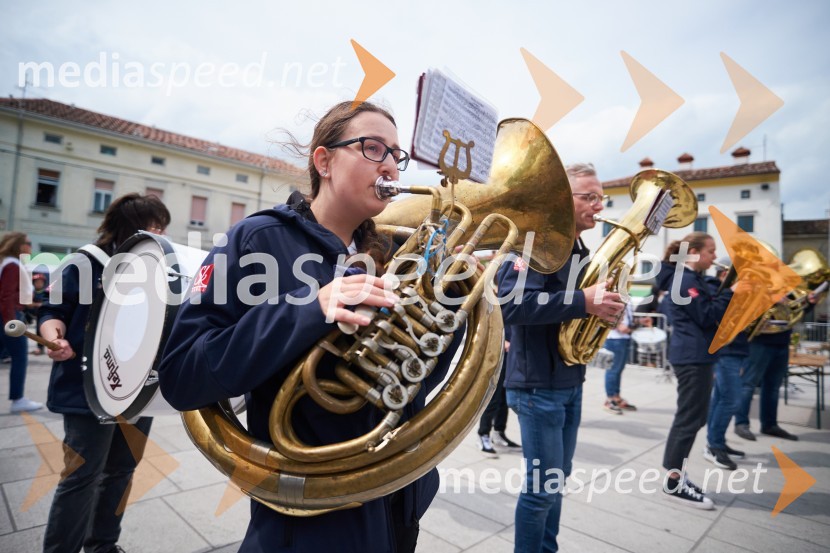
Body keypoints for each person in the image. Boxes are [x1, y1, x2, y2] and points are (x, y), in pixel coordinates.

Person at [158, 101, 462, 553]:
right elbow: (182, 375)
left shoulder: (395, 255)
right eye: (373, 148)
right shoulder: (258, 239)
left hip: (397, 499)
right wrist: (311, 306)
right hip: (309, 520)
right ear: (324, 161)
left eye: (396, 156)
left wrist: (449, 306)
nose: (390, 167)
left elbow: (411, 382)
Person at [497, 163, 624, 553]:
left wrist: (603, 308)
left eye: (600, 197)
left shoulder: (577, 247)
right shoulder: (532, 243)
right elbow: (509, 304)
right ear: (562, 200)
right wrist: (583, 302)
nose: (598, 205)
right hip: (537, 385)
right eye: (588, 197)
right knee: (541, 490)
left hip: (568, 380)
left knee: (556, 481)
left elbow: (570, 308)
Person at [39, 193, 171, 553]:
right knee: (82, 476)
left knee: (121, 471)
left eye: (163, 227)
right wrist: (53, 334)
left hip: (136, 391)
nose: (160, 234)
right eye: (154, 226)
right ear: (130, 228)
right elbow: (52, 312)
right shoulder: (86, 263)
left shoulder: (155, 269)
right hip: (86, 391)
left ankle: (101, 545)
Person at [661, 232, 731, 510]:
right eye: (711, 251)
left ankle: (675, 474)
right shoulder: (685, 280)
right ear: (694, 253)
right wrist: (730, 293)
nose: (715, 257)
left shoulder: (691, 279)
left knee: (693, 417)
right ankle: (674, 480)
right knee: (689, 419)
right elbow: (706, 315)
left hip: (696, 356)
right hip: (692, 357)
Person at [733, 292, 818, 442]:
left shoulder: (790, 291)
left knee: (773, 387)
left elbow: (795, 312)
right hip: (759, 342)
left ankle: (769, 425)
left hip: (782, 342)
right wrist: (769, 298)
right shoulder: (759, 284)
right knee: (748, 385)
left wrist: (810, 304)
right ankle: (741, 423)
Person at [703, 259, 746, 470]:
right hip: (725, 350)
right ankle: (714, 445)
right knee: (731, 400)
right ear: (726, 273)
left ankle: (715, 441)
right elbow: (714, 313)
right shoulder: (713, 286)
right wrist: (733, 291)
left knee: (721, 398)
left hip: (736, 349)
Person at [0, 231, 43, 413]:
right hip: (9, 316)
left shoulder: (7, 264)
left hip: (8, 315)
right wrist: (10, 322)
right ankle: (18, 399)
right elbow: (6, 296)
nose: (30, 246)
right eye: (28, 242)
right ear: (19, 245)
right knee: (20, 357)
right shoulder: (13, 265)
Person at [478, 329, 521, 455]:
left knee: (504, 398)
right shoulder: (498, 308)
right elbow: (487, 328)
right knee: (493, 398)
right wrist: (502, 342)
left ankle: (498, 433)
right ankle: (483, 434)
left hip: (511, 357)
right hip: (497, 356)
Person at [602, 302, 637, 414]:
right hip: (615, 338)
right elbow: (606, 311)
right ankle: (610, 399)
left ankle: (616, 397)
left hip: (624, 337)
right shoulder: (617, 291)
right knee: (613, 370)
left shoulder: (626, 294)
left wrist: (639, 322)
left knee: (618, 370)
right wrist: (618, 325)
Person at [24, 272, 49, 354]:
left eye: (40, 282)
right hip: (30, 314)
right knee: (22, 328)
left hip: (41, 314)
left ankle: (40, 347)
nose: (38, 284)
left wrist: (35, 304)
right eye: (36, 282)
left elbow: (47, 304)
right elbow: (28, 304)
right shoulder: (32, 292)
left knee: (40, 330)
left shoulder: (46, 293)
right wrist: (37, 304)